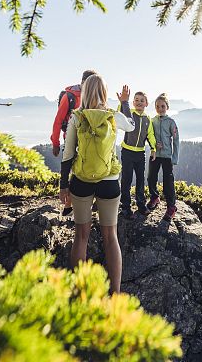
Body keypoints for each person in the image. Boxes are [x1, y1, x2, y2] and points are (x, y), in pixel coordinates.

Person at [59, 75, 135, 294]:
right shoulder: (114, 116)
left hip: (81, 181)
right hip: (109, 182)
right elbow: (131, 126)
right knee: (111, 237)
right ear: (104, 92)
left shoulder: (77, 117)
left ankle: (79, 292)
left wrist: (64, 186)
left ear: (84, 92)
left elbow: (68, 154)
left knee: (81, 236)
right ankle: (115, 295)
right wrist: (125, 102)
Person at [50, 69, 96, 215]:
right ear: (82, 82)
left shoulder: (94, 96)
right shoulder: (69, 97)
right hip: (70, 139)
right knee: (73, 172)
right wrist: (55, 143)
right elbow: (58, 121)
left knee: (87, 171)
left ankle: (84, 202)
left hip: (88, 142)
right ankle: (69, 205)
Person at [119, 92, 156, 219]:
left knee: (140, 180)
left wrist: (153, 148)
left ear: (146, 103)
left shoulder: (147, 119)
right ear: (133, 102)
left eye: (142, 100)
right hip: (127, 152)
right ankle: (125, 206)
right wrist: (123, 102)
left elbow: (150, 135)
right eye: (136, 100)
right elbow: (121, 113)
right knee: (127, 179)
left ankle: (141, 204)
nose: (139, 102)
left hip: (140, 153)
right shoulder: (130, 114)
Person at [147, 93, 180, 221]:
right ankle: (154, 197)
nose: (160, 109)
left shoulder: (171, 122)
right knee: (151, 178)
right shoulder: (152, 121)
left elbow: (176, 140)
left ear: (167, 107)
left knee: (168, 183)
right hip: (155, 155)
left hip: (167, 156)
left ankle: (171, 207)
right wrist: (155, 144)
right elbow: (149, 136)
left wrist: (175, 158)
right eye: (157, 106)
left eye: (162, 106)